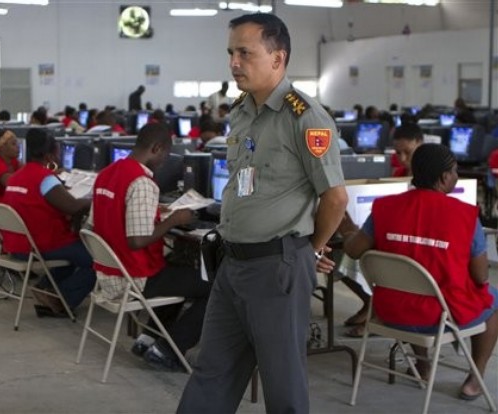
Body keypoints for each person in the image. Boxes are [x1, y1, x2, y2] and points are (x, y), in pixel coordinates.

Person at [178, 13, 347, 414]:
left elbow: (335, 198)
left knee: (282, 383)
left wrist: (310, 249)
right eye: (231, 53)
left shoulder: (305, 116)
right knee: (211, 371)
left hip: (277, 266)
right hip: (232, 263)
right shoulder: (240, 111)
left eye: (245, 53)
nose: (234, 63)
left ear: (278, 57)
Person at [344, 143, 498, 401]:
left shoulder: (384, 208)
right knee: (493, 299)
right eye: (455, 171)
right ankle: (476, 375)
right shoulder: (465, 216)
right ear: (444, 177)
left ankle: (423, 365)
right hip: (437, 316)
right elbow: (481, 277)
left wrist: (347, 228)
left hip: (389, 311)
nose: (457, 176)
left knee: (415, 289)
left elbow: (353, 250)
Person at [91, 122, 211, 370]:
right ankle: (170, 350)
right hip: (133, 278)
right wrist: (175, 220)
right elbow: (136, 241)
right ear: (157, 148)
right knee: (216, 286)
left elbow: (95, 223)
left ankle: (148, 339)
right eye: (165, 155)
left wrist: (152, 211)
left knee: (180, 264)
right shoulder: (143, 183)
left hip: (107, 274)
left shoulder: (107, 173)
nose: (165, 161)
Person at [2, 128, 95, 316]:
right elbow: (73, 207)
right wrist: (94, 200)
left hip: (16, 244)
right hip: (38, 244)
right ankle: (60, 299)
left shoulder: (16, 176)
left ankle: (45, 288)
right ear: (49, 154)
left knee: (73, 254)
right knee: (96, 260)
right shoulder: (45, 179)